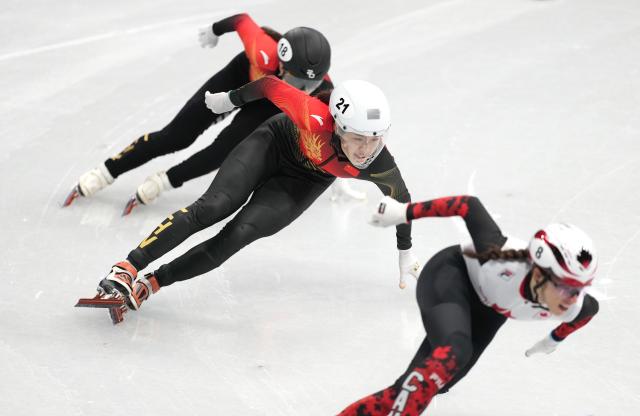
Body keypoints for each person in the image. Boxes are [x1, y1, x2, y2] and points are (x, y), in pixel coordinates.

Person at [85, 76, 421, 324]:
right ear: (336, 127)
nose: (366, 150)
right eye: (357, 139)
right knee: (214, 207)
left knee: (238, 235)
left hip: (304, 181)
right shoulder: (312, 115)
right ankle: (128, 267)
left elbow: (401, 202)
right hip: (271, 144)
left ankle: (152, 283)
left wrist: (405, 253)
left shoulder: (379, 163)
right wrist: (228, 99)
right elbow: (270, 86)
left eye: (375, 140)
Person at [63, 13, 362, 213]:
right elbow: (242, 20)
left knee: (225, 151)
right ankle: (105, 172)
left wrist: (339, 177)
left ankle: (164, 181)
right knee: (176, 137)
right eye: (298, 80)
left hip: (266, 102)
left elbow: (335, 137)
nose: (304, 89)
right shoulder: (261, 51)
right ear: (281, 62)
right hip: (239, 80)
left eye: (311, 82)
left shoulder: (322, 90)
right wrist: (213, 31)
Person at [337, 195, 600, 415]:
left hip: (490, 309)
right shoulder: (499, 256)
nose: (572, 298)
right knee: (456, 352)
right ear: (539, 273)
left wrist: (554, 339)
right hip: (451, 277)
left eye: (579, 289)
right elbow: (468, 206)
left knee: (429, 384)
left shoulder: (576, 306)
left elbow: (588, 312)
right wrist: (404, 212)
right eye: (566, 287)